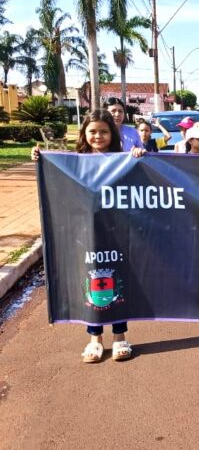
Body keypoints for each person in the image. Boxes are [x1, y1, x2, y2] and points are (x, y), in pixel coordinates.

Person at [32, 110, 145, 363]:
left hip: (117, 232)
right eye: (92, 131)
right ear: (84, 133)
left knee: (119, 282)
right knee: (91, 281)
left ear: (112, 134)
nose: (98, 136)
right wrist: (40, 158)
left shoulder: (122, 159)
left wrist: (138, 156)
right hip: (85, 234)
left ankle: (120, 337)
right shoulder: (73, 162)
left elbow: (139, 178)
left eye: (104, 131)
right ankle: (94, 338)